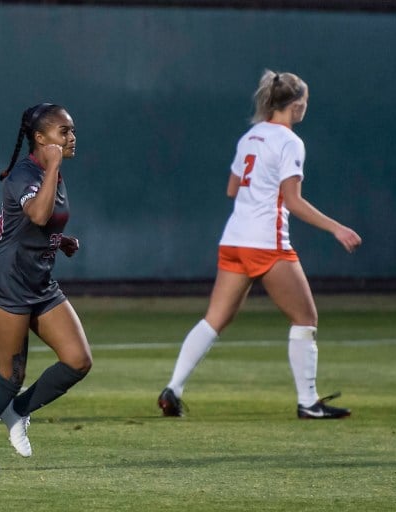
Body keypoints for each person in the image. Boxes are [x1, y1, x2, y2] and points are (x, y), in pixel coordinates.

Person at [157, 70, 362, 420]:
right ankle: (308, 402)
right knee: (305, 318)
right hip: (266, 242)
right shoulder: (290, 142)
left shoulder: (250, 136)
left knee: (214, 319)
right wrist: (336, 228)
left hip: (234, 238)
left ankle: (172, 389)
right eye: (305, 104)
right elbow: (293, 202)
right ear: (296, 105)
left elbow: (232, 189)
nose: (304, 109)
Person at [0, 103, 92, 472]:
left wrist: (60, 241)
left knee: (78, 360)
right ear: (41, 139)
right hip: (7, 283)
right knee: (10, 374)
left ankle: (18, 411)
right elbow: (38, 214)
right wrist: (55, 165)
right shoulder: (25, 175)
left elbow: (37, 226)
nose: (71, 138)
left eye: (72, 131)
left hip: (39, 281)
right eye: (64, 133)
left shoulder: (50, 173)